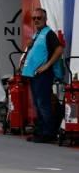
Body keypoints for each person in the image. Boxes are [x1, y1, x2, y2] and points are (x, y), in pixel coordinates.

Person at [22, 8, 66, 143]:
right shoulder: (37, 34)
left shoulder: (48, 34)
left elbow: (59, 49)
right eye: (34, 18)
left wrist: (47, 65)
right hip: (34, 75)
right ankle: (40, 132)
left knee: (43, 104)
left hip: (44, 75)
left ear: (45, 19)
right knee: (38, 104)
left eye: (39, 18)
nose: (36, 20)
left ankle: (48, 133)